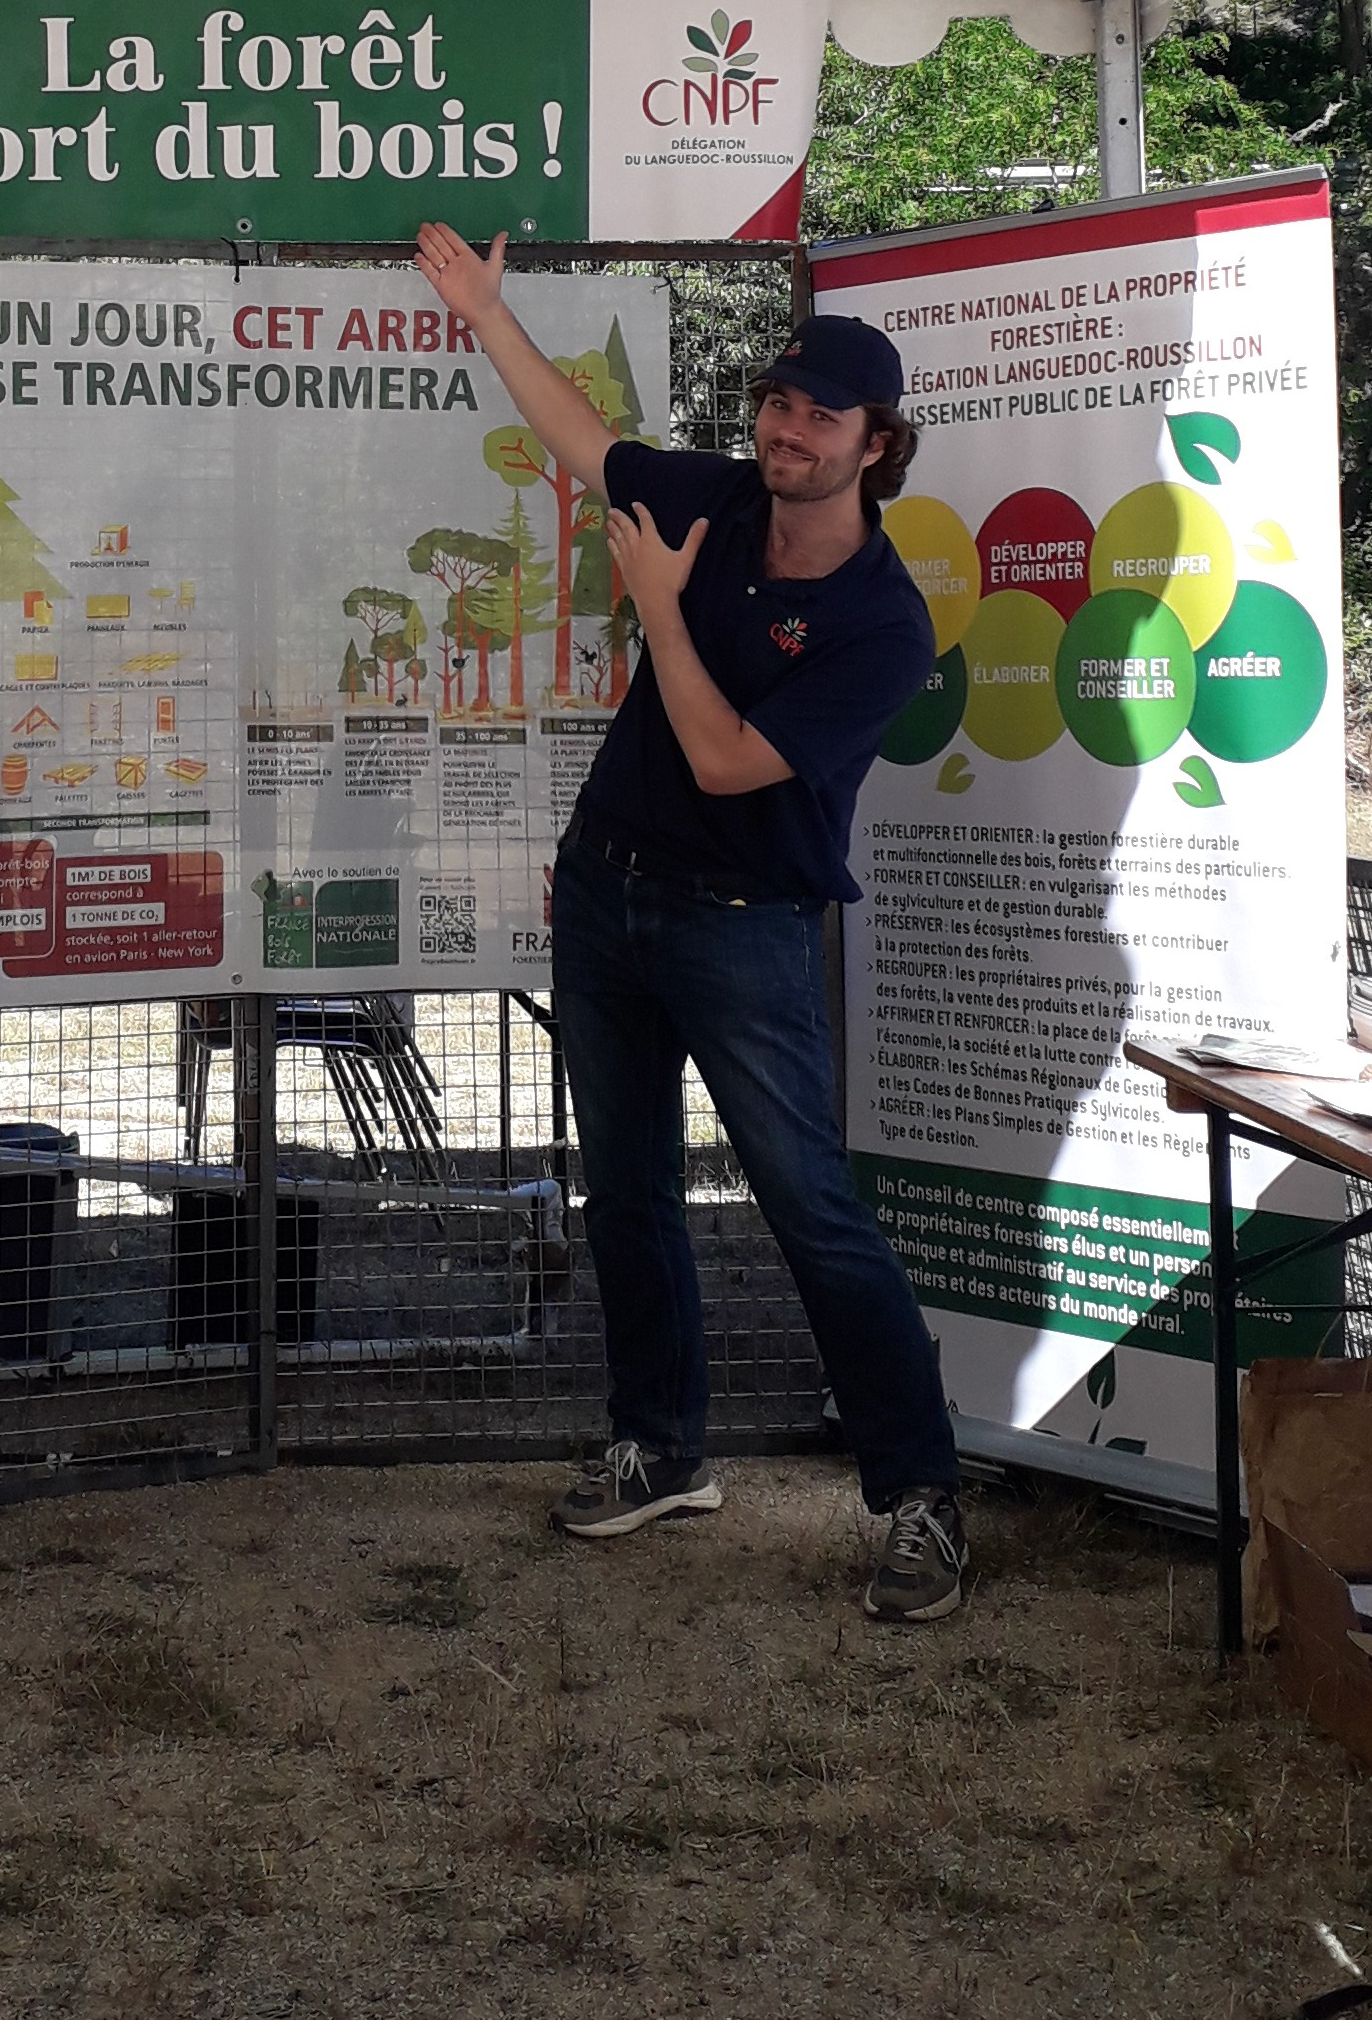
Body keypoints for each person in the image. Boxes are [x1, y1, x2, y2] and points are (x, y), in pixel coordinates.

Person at [414, 222, 971, 1622]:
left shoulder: (883, 624)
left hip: (743, 927)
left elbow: (726, 759)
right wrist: (488, 313)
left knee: (810, 1211)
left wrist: (658, 607)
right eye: (779, 404)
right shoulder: (716, 496)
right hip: (607, 891)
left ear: (878, 446)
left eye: (819, 417)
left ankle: (920, 1496)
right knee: (629, 1189)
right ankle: (657, 1445)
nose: (787, 431)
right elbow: (586, 444)